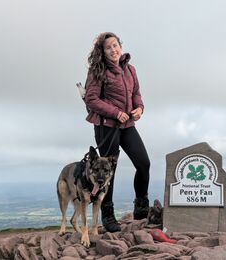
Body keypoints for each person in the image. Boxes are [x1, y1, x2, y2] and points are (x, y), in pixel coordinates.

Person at [84, 32, 150, 232]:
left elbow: (136, 94)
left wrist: (139, 109)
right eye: (108, 47)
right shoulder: (98, 70)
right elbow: (91, 100)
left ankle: (141, 207)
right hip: (106, 127)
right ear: (102, 52)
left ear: (120, 46)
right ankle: (108, 215)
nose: (113, 50)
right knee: (107, 171)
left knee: (143, 163)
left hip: (128, 125)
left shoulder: (130, 70)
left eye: (115, 45)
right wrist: (115, 112)